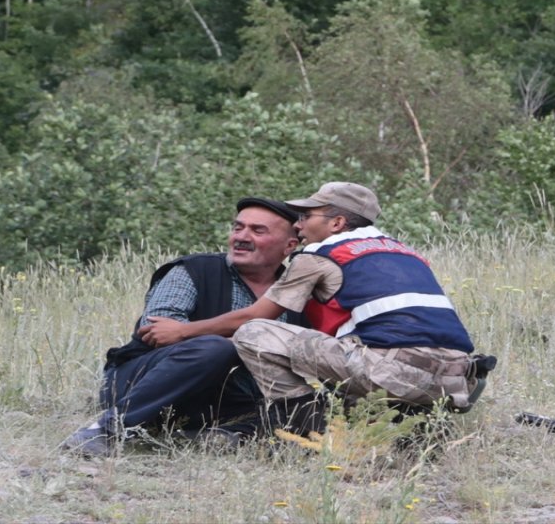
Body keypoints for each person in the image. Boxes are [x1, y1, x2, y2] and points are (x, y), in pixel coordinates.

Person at [138, 182, 477, 433]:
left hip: (386, 370)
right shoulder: (403, 251)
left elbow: (256, 317)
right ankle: (416, 427)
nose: (298, 225)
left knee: (254, 334)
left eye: (306, 216)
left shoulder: (319, 255)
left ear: (337, 223)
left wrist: (183, 331)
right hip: (456, 378)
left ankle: (300, 427)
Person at [61, 197, 300, 456]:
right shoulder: (194, 270)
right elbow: (155, 332)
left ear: (290, 246)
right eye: (237, 227)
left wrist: (243, 344)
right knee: (214, 349)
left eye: (258, 230)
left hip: (225, 401)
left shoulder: (300, 293)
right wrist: (254, 347)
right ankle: (105, 430)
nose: (241, 237)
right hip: (141, 386)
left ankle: (199, 437)